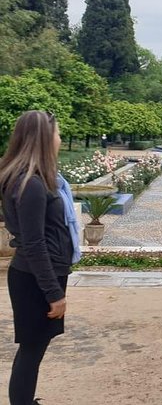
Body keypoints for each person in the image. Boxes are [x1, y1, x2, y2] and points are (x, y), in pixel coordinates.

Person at [0, 110, 80, 405]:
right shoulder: (31, 184)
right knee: (32, 350)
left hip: (37, 274)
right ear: (45, 138)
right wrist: (54, 294)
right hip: (35, 279)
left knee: (33, 349)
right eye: (58, 133)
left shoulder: (29, 178)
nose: (60, 138)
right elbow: (34, 243)